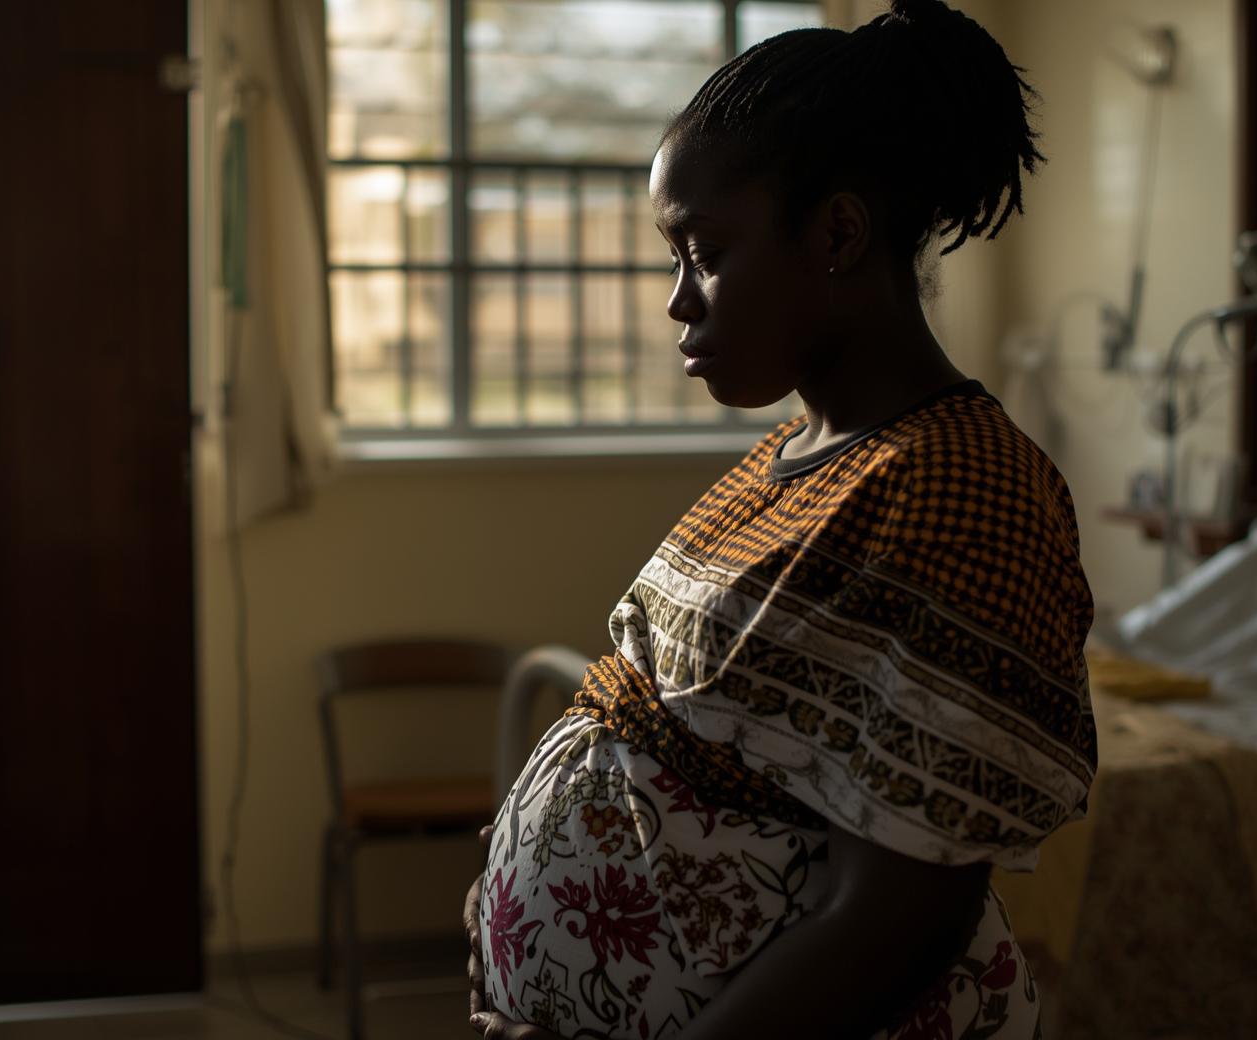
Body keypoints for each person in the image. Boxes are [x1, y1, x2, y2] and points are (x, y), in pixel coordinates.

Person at [463, 1, 1097, 1037]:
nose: (677, 300)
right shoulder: (791, 455)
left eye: (703, 250)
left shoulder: (960, 488)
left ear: (839, 232)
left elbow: (895, 915)